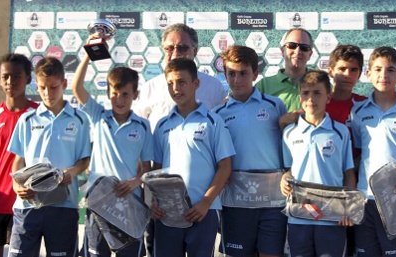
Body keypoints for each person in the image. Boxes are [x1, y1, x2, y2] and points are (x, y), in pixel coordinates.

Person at [71, 34, 154, 257]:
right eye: (114, 93)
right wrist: (89, 53)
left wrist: (136, 182)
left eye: (125, 94)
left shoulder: (143, 126)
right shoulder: (98, 116)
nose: (119, 99)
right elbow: (76, 87)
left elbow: (147, 168)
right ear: (108, 93)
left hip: (130, 203)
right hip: (98, 202)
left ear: (135, 95)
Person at [150, 58, 235, 257]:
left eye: (181, 82)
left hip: (202, 212)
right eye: (170, 83)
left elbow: (225, 167)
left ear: (196, 84)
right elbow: (156, 169)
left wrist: (206, 201)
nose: (176, 88)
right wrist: (153, 201)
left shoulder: (213, 121)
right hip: (168, 214)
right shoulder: (162, 125)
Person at [7, 57, 91, 257]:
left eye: (53, 87)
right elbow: (19, 159)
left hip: (63, 205)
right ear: (36, 85)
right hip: (28, 206)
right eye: (43, 88)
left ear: (63, 84)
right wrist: (17, 185)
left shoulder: (80, 120)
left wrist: (71, 172)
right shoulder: (27, 119)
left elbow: (85, 159)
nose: (47, 93)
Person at [211, 45, 287, 257]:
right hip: (235, 203)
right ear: (224, 74)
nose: (236, 80)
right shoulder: (217, 114)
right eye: (231, 74)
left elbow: (288, 147)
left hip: (273, 202)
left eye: (243, 73)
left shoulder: (275, 106)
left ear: (255, 73)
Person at [350, 46, 396, 257]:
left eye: (390, 70)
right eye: (378, 69)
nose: (384, 75)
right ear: (368, 74)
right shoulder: (358, 111)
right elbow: (359, 155)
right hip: (365, 200)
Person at [280, 69, 356, 257]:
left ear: (328, 97)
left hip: (332, 217)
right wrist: (284, 177)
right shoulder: (290, 132)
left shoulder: (340, 132)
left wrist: (348, 207)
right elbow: (289, 169)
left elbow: (348, 173)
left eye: (317, 93)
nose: (311, 99)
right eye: (305, 93)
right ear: (300, 97)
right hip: (299, 216)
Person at [133, 23, 226, 130]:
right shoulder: (149, 88)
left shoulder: (213, 86)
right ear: (164, 50)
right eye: (170, 48)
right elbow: (138, 129)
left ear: (194, 51)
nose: (176, 54)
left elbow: (221, 127)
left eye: (182, 48)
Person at [0, 53, 39, 257]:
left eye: (17, 76)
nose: (11, 82)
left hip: (26, 203)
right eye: (6, 77)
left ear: (28, 78)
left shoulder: (39, 114)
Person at [255, 28, 313, 112]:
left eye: (304, 47)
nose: (297, 51)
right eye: (292, 45)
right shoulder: (263, 86)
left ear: (310, 54)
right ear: (283, 51)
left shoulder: (322, 86)